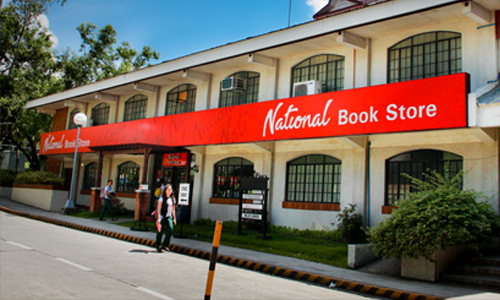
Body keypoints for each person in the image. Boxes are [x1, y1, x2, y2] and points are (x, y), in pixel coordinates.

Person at [155, 183, 176, 252]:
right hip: (162, 216)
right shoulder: (161, 198)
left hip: (168, 216)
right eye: (169, 190)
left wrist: (174, 218)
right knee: (160, 231)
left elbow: (173, 209)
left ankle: (165, 244)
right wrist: (158, 218)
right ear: (165, 191)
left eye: (171, 190)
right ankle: (158, 245)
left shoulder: (172, 199)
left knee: (170, 229)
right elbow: (159, 208)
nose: (170, 191)